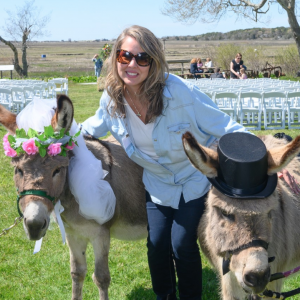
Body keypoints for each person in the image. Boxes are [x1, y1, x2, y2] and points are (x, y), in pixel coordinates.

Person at [80, 25, 295, 300]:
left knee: (182, 244)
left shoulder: (177, 92)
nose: (132, 64)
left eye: (142, 58)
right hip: (157, 185)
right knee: (157, 244)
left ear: (154, 62)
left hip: (192, 181)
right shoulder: (111, 100)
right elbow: (87, 129)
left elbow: (225, 125)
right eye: (125, 56)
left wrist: (261, 155)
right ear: (115, 59)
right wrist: (46, 136)